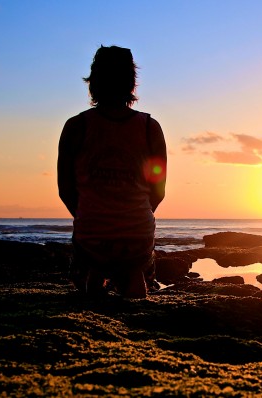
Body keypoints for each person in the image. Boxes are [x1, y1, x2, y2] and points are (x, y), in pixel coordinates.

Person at [57, 45, 167, 298]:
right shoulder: (150, 128)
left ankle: (94, 284)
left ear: (93, 81)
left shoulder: (76, 126)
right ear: (131, 82)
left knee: (93, 268)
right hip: (137, 233)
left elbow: (66, 189)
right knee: (132, 267)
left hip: (91, 232)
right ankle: (134, 282)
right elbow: (158, 191)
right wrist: (129, 217)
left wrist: (94, 215)